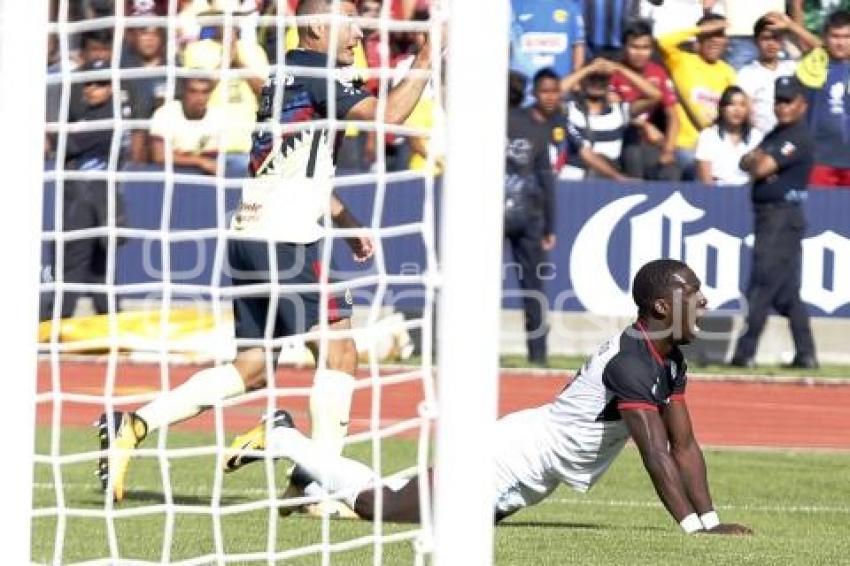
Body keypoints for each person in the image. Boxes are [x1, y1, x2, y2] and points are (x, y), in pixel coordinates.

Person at [98, 0, 433, 504]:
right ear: (320, 25)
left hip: (252, 229)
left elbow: (294, 164)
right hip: (288, 236)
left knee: (254, 367)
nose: (361, 31)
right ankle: (319, 485)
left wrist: (345, 219)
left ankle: (135, 424)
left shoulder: (289, 74)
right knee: (341, 350)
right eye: (351, 19)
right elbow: (390, 117)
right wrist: (430, 52)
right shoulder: (317, 69)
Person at [225, 259, 754, 536]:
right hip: (508, 457)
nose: (704, 302)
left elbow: (684, 445)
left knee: (415, 513)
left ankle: (308, 472)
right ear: (661, 307)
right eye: (694, 293)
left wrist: (712, 520)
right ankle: (284, 436)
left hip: (532, 474)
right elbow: (655, 452)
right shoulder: (633, 361)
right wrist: (692, 530)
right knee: (377, 506)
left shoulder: (670, 357)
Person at [730, 76, 818, 369]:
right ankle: (806, 354)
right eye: (778, 101)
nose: (782, 107)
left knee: (763, 285)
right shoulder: (776, 134)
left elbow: (760, 166)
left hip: (782, 215)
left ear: (802, 105)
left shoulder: (798, 136)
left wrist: (758, 163)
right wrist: (755, 162)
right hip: (770, 216)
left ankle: (745, 352)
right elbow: (746, 161)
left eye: (788, 101)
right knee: (786, 292)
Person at [48, 59, 131, 320]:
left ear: (110, 87)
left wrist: (64, 140)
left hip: (94, 197)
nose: (92, 89)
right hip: (86, 195)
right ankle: (102, 318)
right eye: (89, 83)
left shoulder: (110, 117)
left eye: (101, 84)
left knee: (85, 263)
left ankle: (59, 320)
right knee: (90, 264)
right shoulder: (86, 114)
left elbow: (66, 145)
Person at [504, 72, 557, 366]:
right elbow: (546, 180)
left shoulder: (480, 123)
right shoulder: (535, 128)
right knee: (533, 287)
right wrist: (550, 224)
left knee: (481, 285)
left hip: (491, 210)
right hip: (528, 211)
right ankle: (538, 353)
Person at [657, 14, 737, 179]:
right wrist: (702, 29)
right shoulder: (682, 61)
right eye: (710, 35)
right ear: (698, 39)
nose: (715, 40)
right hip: (686, 146)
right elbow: (662, 42)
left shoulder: (728, 72)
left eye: (720, 34)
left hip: (716, 147)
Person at [561, 57, 662, 179]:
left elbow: (655, 95)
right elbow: (555, 93)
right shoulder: (570, 109)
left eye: (602, 79)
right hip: (573, 176)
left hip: (607, 177)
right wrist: (588, 69)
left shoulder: (619, 111)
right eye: (592, 78)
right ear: (583, 79)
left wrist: (620, 68)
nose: (597, 83)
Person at [610, 19, 682, 181]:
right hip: (620, 141)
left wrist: (668, 151)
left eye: (645, 48)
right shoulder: (614, 72)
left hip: (649, 142)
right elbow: (614, 112)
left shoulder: (658, 72)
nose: (640, 53)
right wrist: (644, 124)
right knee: (633, 149)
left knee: (671, 171)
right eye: (634, 47)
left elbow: (673, 116)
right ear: (624, 47)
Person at [529, 68, 627, 180]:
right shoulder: (520, 119)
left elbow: (584, 152)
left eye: (554, 92)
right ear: (533, 92)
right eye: (545, 92)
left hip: (555, 182)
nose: (550, 97)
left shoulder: (562, 121)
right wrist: (587, 69)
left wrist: (618, 177)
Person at [736, 12, 821, 135]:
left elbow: (822, 51)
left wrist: (791, 26)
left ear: (782, 41)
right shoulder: (746, 74)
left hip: (794, 138)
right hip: (763, 139)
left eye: (776, 38)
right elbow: (746, 114)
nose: (771, 44)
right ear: (756, 41)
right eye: (765, 38)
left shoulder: (793, 67)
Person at [795, 9, 850, 187]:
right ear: (825, 38)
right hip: (819, 160)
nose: (841, 43)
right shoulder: (811, 66)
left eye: (846, 37)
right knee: (818, 212)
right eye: (835, 36)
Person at [509, 0, 586, 104]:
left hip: (561, 90)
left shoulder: (571, 6)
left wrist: (576, 81)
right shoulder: (513, 5)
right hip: (522, 93)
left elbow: (578, 46)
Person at [149, 77, 228, 174]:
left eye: (204, 92)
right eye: (193, 91)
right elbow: (159, 156)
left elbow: (216, 158)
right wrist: (200, 161)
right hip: (173, 174)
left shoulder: (218, 117)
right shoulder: (165, 113)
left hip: (205, 176)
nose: (199, 98)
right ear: (183, 93)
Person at [695, 85, 763, 185]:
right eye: (732, 104)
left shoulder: (756, 136)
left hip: (748, 191)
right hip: (718, 192)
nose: (737, 110)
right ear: (722, 108)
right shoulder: (708, 135)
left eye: (742, 105)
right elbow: (706, 180)